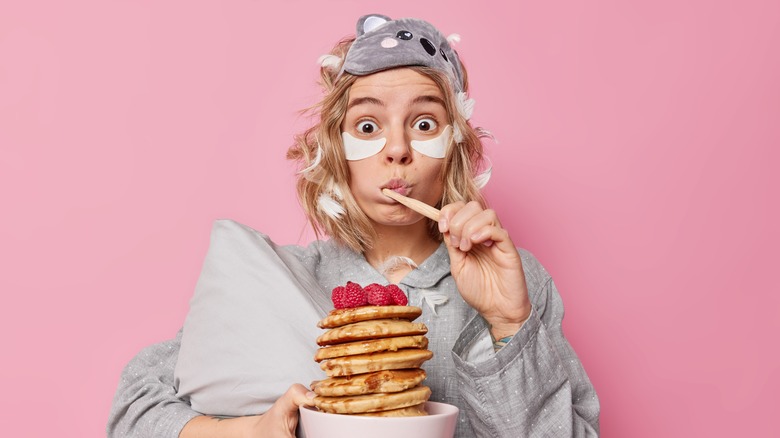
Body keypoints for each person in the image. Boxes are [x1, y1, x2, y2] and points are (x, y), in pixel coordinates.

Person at [108, 14, 600, 437]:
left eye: (424, 123)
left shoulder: (515, 279)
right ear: (335, 148)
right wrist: (250, 429)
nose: (397, 148)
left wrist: (508, 326)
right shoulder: (282, 278)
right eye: (368, 126)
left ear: (453, 145)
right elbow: (136, 405)